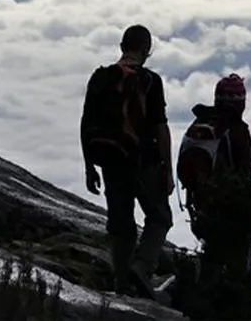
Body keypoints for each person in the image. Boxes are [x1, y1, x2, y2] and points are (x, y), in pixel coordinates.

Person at [80, 24, 175, 297]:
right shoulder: (150, 81)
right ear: (146, 49)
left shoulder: (100, 78)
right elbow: (160, 126)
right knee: (159, 217)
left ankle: (121, 284)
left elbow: (87, 122)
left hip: (111, 162)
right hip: (145, 162)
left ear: (122, 45)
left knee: (121, 227)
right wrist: (167, 170)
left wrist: (89, 166)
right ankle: (142, 267)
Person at [176, 73, 251, 278]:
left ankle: (205, 291)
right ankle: (233, 299)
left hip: (200, 202)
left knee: (212, 252)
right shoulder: (237, 130)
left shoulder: (200, 124)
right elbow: (246, 169)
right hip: (229, 205)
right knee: (237, 262)